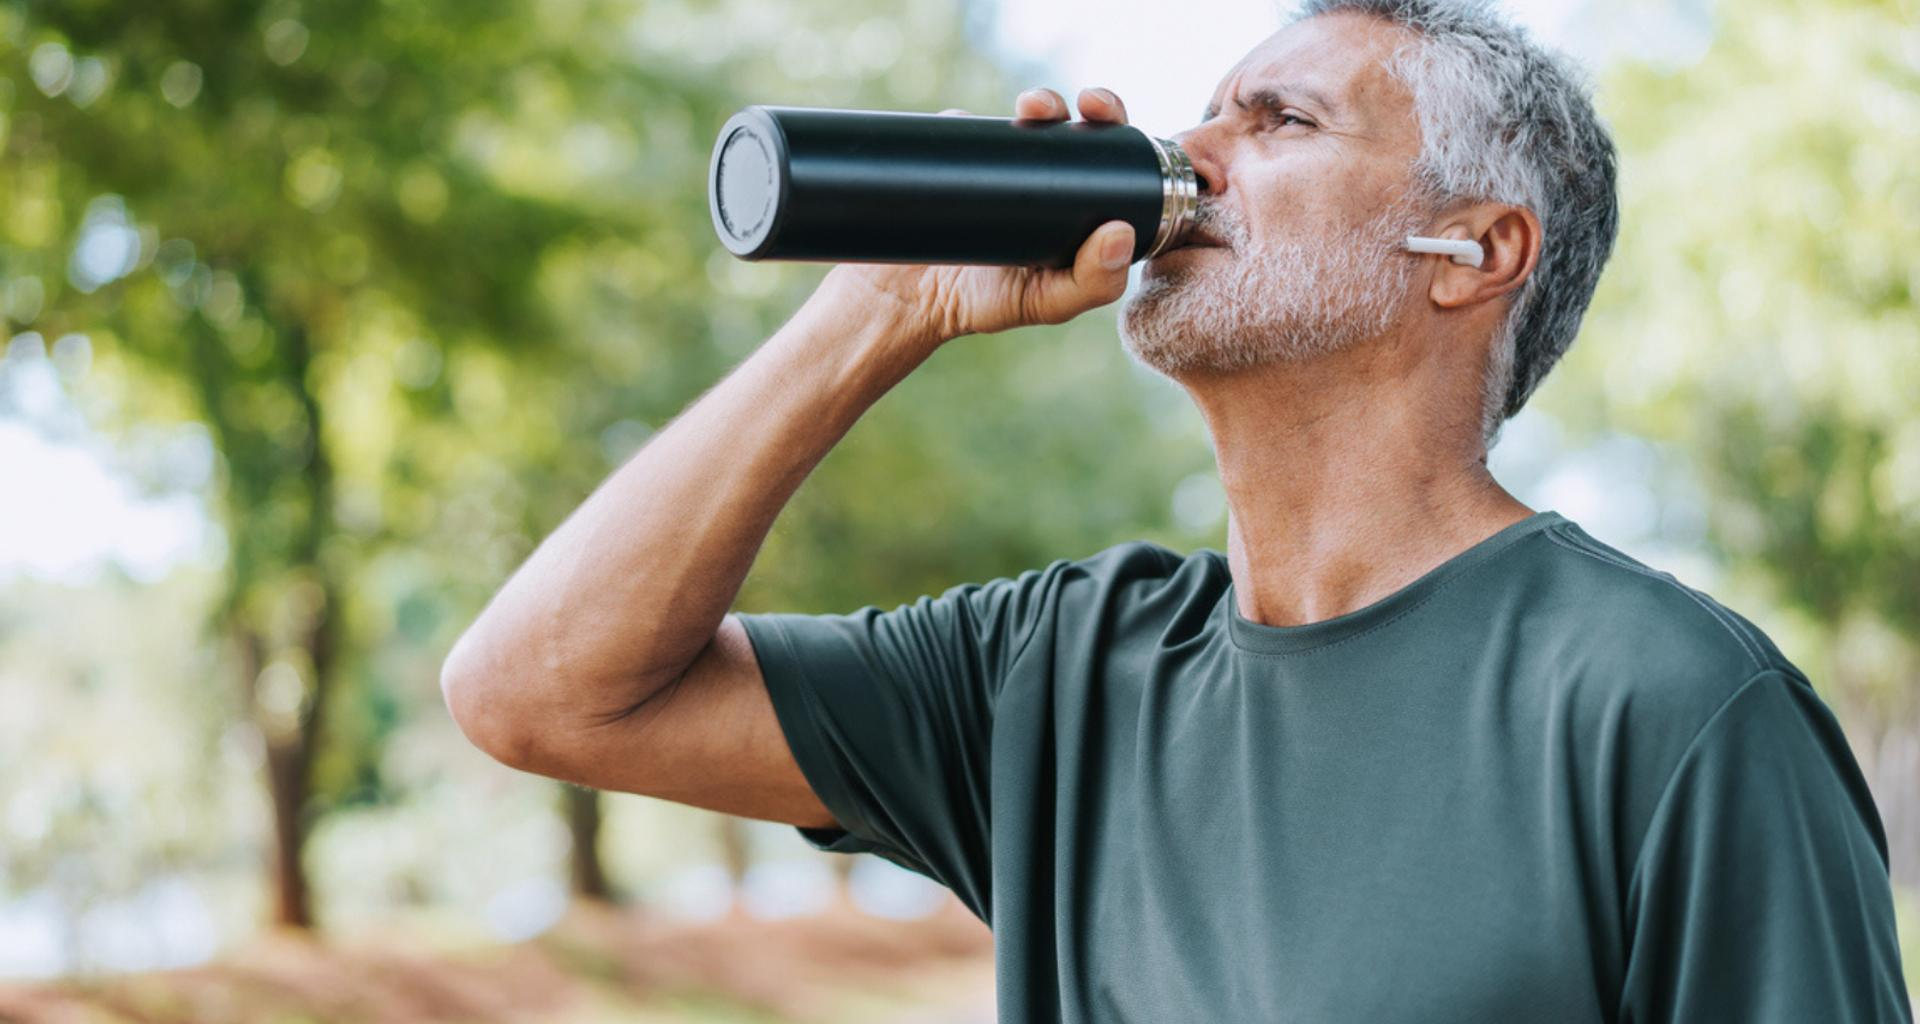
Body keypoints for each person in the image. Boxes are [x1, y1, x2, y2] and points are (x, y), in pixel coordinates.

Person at [439, 0, 1915, 1019]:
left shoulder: (1664, 705)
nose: (1190, 155)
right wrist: (876, 316)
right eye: (1203, 112)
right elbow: (541, 696)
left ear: (1470, 249)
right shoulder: (1057, 673)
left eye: (1279, 120)